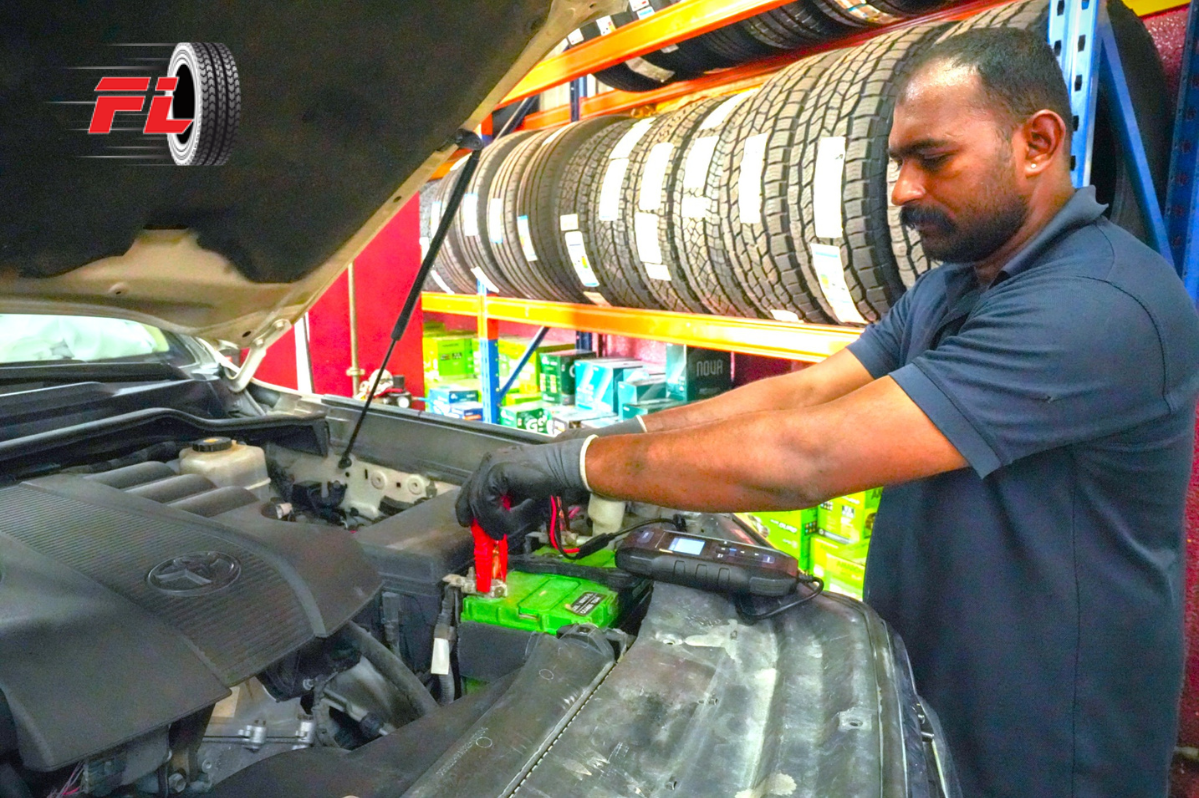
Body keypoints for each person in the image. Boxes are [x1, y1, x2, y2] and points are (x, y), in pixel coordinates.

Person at [456, 27, 1199, 797]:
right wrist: (603, 441)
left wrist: (579, 468)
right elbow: (803, 393)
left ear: (1037, 142)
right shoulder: (956, 287)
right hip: (932, 692)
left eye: (932, 159)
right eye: (898, 164)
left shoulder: (1096, 306)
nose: (904, 190)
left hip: (1047, 741)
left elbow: (804, 460)